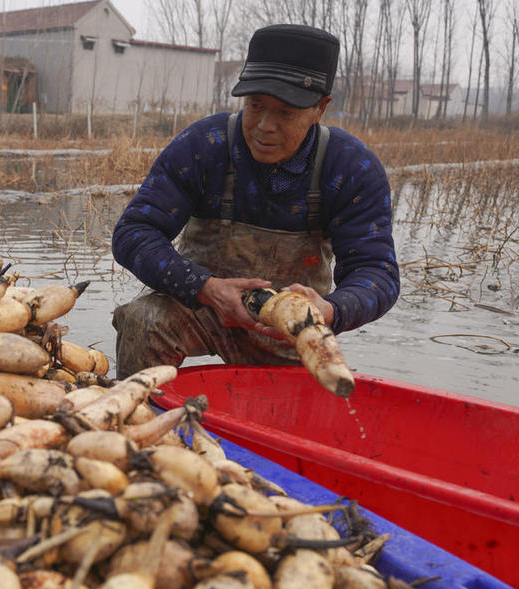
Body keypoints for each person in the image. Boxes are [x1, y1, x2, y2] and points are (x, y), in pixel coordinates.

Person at [111, 24, 399, 378]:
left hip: (287, 330)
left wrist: (329, 311)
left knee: (299, 406)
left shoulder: (352, 168)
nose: (264, 125)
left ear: (320, 108)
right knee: (145, 320)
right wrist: (205, 288)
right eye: (255, 105)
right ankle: (137, 420)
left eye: (285, 112)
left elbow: (376, 273)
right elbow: (133, 233)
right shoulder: (205, 145)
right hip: (201, 308)